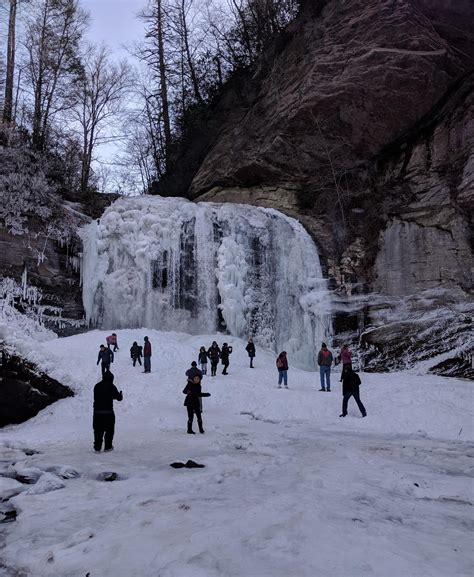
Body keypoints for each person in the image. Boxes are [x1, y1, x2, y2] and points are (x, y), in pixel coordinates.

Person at [93, 371, 123, 452]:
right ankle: (108, 447)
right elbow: (119, 398)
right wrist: (120, 394)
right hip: (108, 412)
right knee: (109, 430)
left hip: (97, 412)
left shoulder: (97, 386)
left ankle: (97, 447)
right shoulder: (112, 386)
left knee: (98, 430)